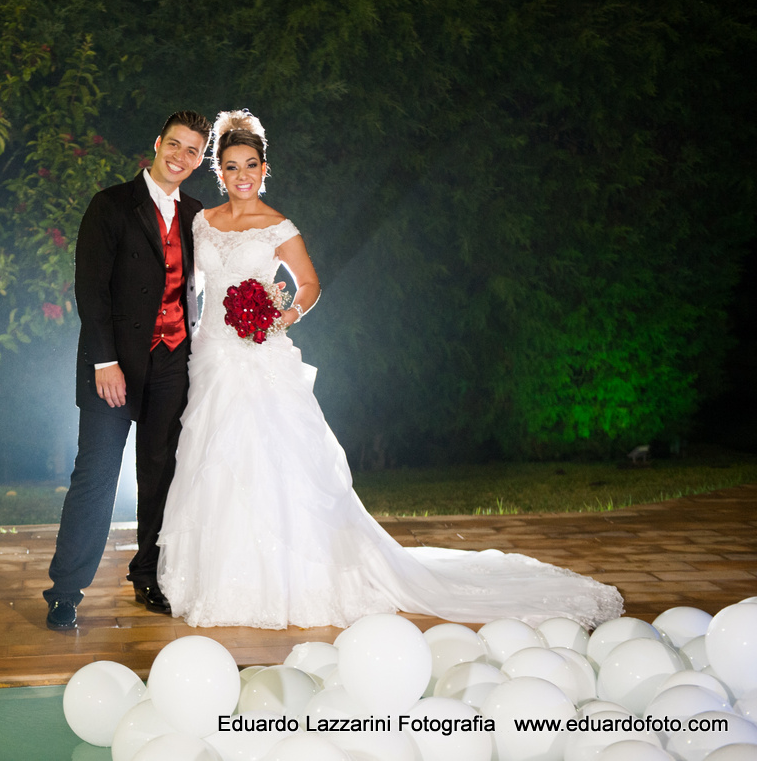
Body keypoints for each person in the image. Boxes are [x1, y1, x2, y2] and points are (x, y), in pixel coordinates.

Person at [156, 109, 624, 630]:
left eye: (251, 165)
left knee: (274, 461)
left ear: (265, 169)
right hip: (212, 356)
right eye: (231, 166)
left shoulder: (278, 227)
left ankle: (291, 576)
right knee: (212, 461)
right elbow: (185, 283)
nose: (241, 175)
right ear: (218, 172)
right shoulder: (202, 222)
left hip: (261, 357)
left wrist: (282, 313)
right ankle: (217, 575)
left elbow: (308, 284)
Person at [44, 111, 214, 631]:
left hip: (172, 363)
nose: (181, 157)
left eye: (193, 152)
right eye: (175, 145)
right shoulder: (111, 205)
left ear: (199, 161)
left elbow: (203, 286)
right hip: (112, 367)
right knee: (95, 478)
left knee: (160, 476)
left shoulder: (197, 214)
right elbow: (90, 291)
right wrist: (104, 360)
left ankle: (149, 578)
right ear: (157, 143)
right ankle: (66, 591)